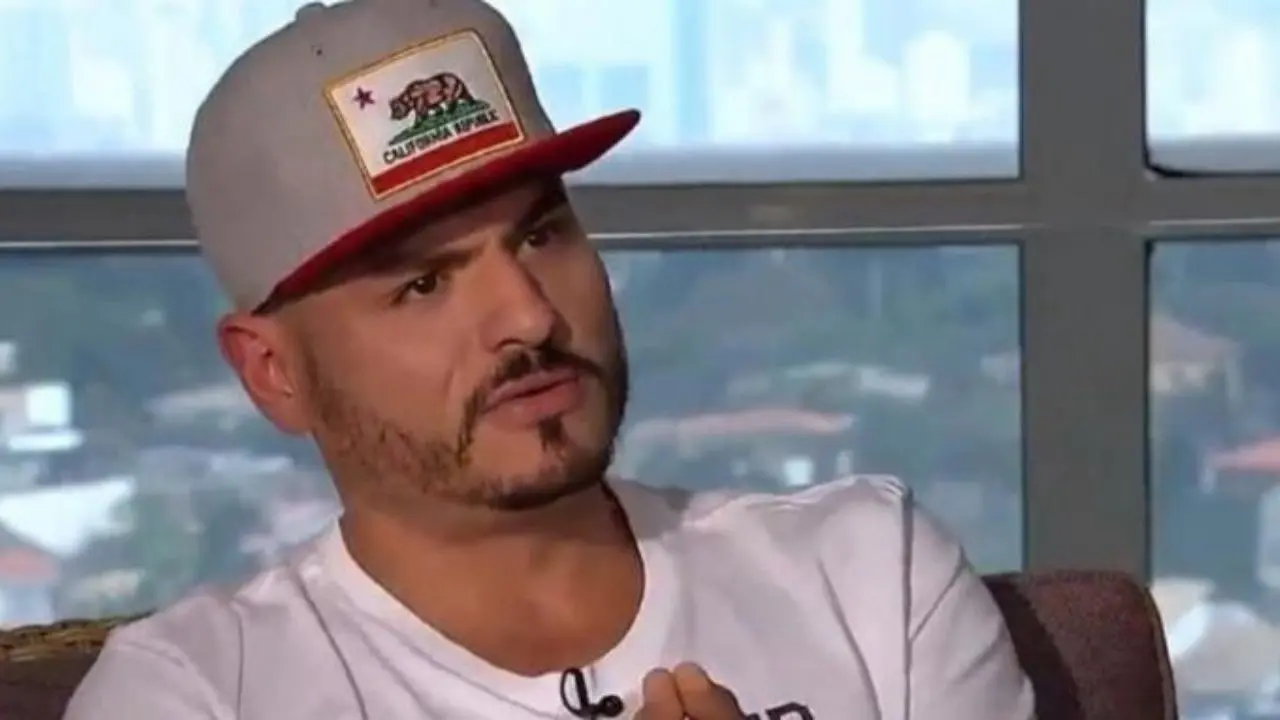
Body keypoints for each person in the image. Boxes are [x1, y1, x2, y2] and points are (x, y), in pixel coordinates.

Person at [64, 0, 1036, 717]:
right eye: (423, 284)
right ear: (273, 372)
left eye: (540, 235)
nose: (527, 317)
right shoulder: (200, 693)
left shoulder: (869, 576)